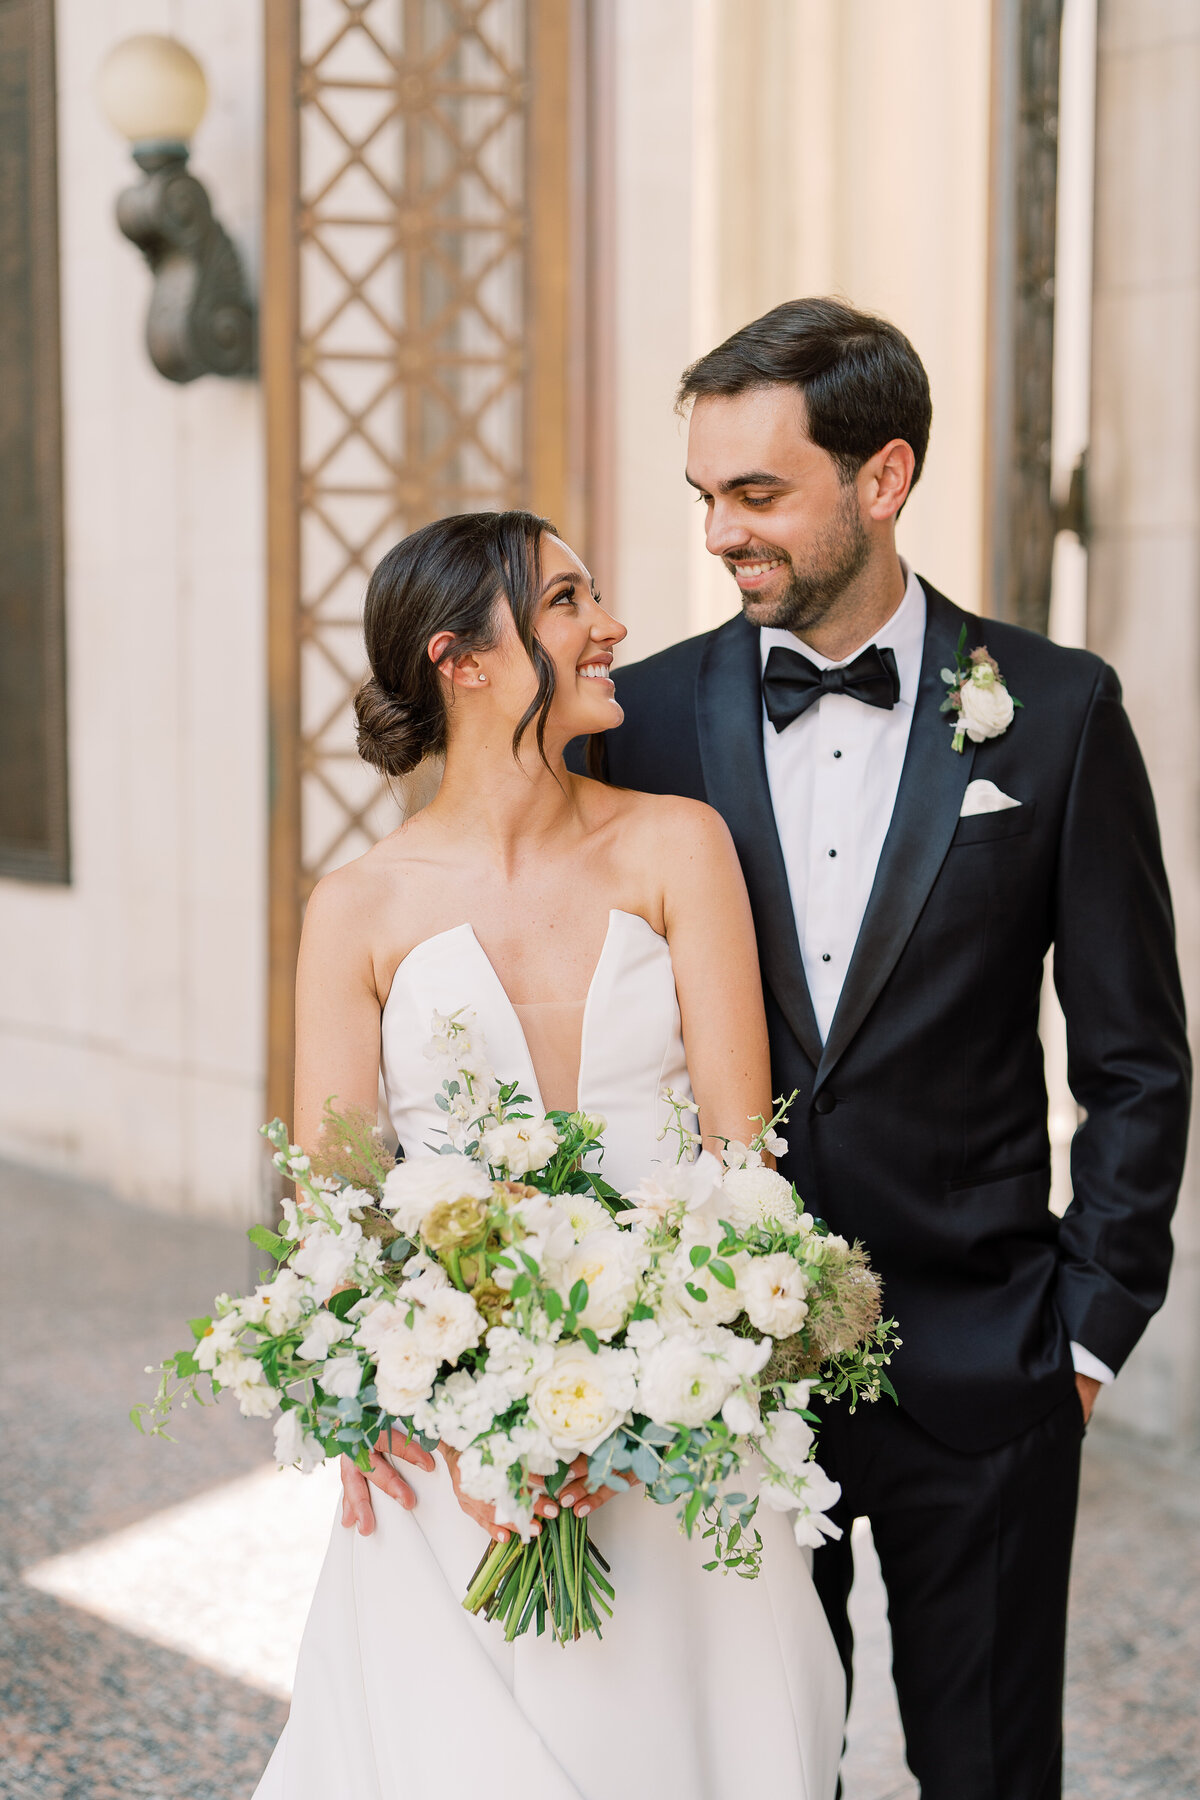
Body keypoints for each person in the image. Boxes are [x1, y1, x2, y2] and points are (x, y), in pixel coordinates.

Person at [575, 296, 1191, 1800]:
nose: (721, 535)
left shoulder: (1054, 712)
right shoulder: (638, 723)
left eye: (759, 493)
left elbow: (1136, 1060)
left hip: (987, 1369)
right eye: (705, 497)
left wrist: (1087, 1335)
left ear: (884, 477)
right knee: (762, 1774)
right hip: (721, 1382)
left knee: (989, 1772)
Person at [253, 510, 845, 1800]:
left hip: (685, 1426)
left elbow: (746, 1164)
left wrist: (638, 1390)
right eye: (569, 600)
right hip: (450, 1459)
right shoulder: (356, 906)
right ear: (463, 658)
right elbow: (335, 1214)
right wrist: (423, 1410)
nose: (611, 624)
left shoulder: (676, 844)